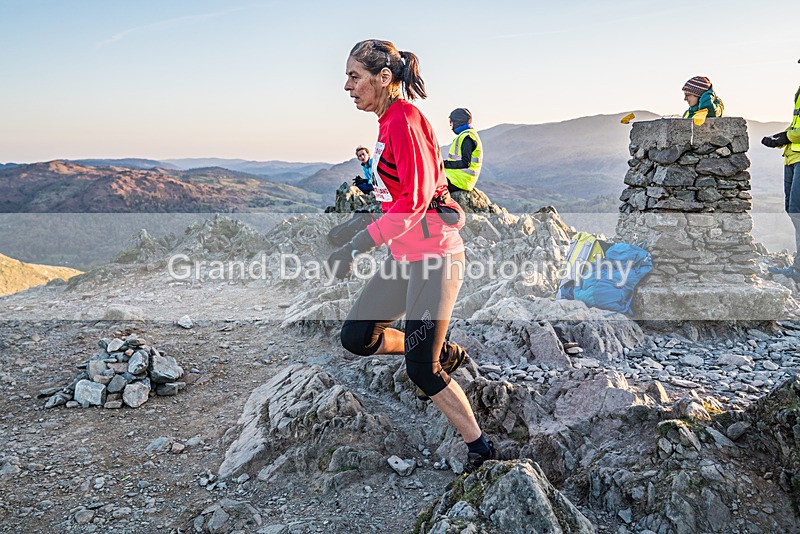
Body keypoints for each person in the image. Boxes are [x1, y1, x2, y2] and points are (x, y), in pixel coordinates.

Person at [329, 38, 499, 472]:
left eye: (354, 77)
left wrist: (360, 243)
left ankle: (480, 448)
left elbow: (417, 200)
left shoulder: (404, 120)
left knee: (421, 369)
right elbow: (397, 193)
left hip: (437, 258)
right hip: (405, 258)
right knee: (357, 338)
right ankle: (441, 349)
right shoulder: (388, 122)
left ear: (384, 78)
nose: (347, 86)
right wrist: (358, 223)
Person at [763, 59, 800, 281]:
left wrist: (785, 137)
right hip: (793, 157)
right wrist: (781, 137)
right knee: (793, 211)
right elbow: (797, 125)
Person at [444, 108, 483, 192]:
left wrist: (444, 164)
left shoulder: (467, 138)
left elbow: (465, 163)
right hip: (458, 179)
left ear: (458, 122)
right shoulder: (467, 134)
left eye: (451, 122)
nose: (451, 126)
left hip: (458, 181)